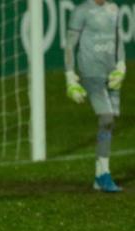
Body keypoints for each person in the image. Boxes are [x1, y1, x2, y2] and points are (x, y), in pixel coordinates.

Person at [64, 0, 126, 192]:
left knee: (108, 122)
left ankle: (99, 176)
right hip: (91, 71)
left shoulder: (113, 8)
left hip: (111, 73)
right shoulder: (81, 11)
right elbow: (69, 45)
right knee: (106, 117)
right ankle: (105, 174)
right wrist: (70, 76)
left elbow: (118, 38)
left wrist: (121, 64)